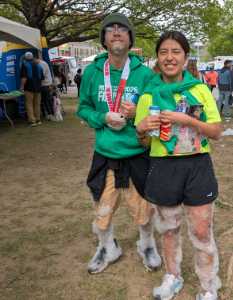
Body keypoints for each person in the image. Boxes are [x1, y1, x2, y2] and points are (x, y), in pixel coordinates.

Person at [135, 30, 222, 300]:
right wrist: (140, 130)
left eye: (176, 52)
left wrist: (187, 121)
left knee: (200, 232)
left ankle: (208, 287)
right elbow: (145, 145)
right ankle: (173, 276)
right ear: (158, 58)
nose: (169, 57)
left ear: (185, 57)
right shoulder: (148, 96)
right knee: (169, 228)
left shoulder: (199, 89)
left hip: (197, 167)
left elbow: (216, 131)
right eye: (163, 52)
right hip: (163, 168)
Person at [76, 13, 161, 275]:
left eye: (122, 29)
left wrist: (139, 114)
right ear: (103, 38)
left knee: (144, 207)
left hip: (138, 151)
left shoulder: (145, 74)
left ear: (129, 38)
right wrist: (102, 117)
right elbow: (83, 108)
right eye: (110, 29)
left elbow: (157, 114)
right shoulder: (92, 71)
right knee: (102, 207)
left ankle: (146, 244)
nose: (116, 32)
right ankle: (106, 247)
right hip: (105, 152)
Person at [20, 52, 44, 127]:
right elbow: (42, 79)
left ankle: (32, 121)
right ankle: (38, 119)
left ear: (26, 57)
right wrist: (39, 85)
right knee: (37, 104)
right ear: (32, 57)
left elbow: (24, 77)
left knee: (29, 104)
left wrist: (22, 86)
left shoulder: (25, 65)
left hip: (29, 88)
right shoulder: (38, 66)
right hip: (38, 88)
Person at [33, 55, 55, 121]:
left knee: (49, 99)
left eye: (33, 60)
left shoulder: (43, 64)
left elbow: (42, 74)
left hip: (47, 84)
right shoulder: (37, 65)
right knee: (44, 100)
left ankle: (53, 113)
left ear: (35, 59)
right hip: (42, 85)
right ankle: (49, 114)